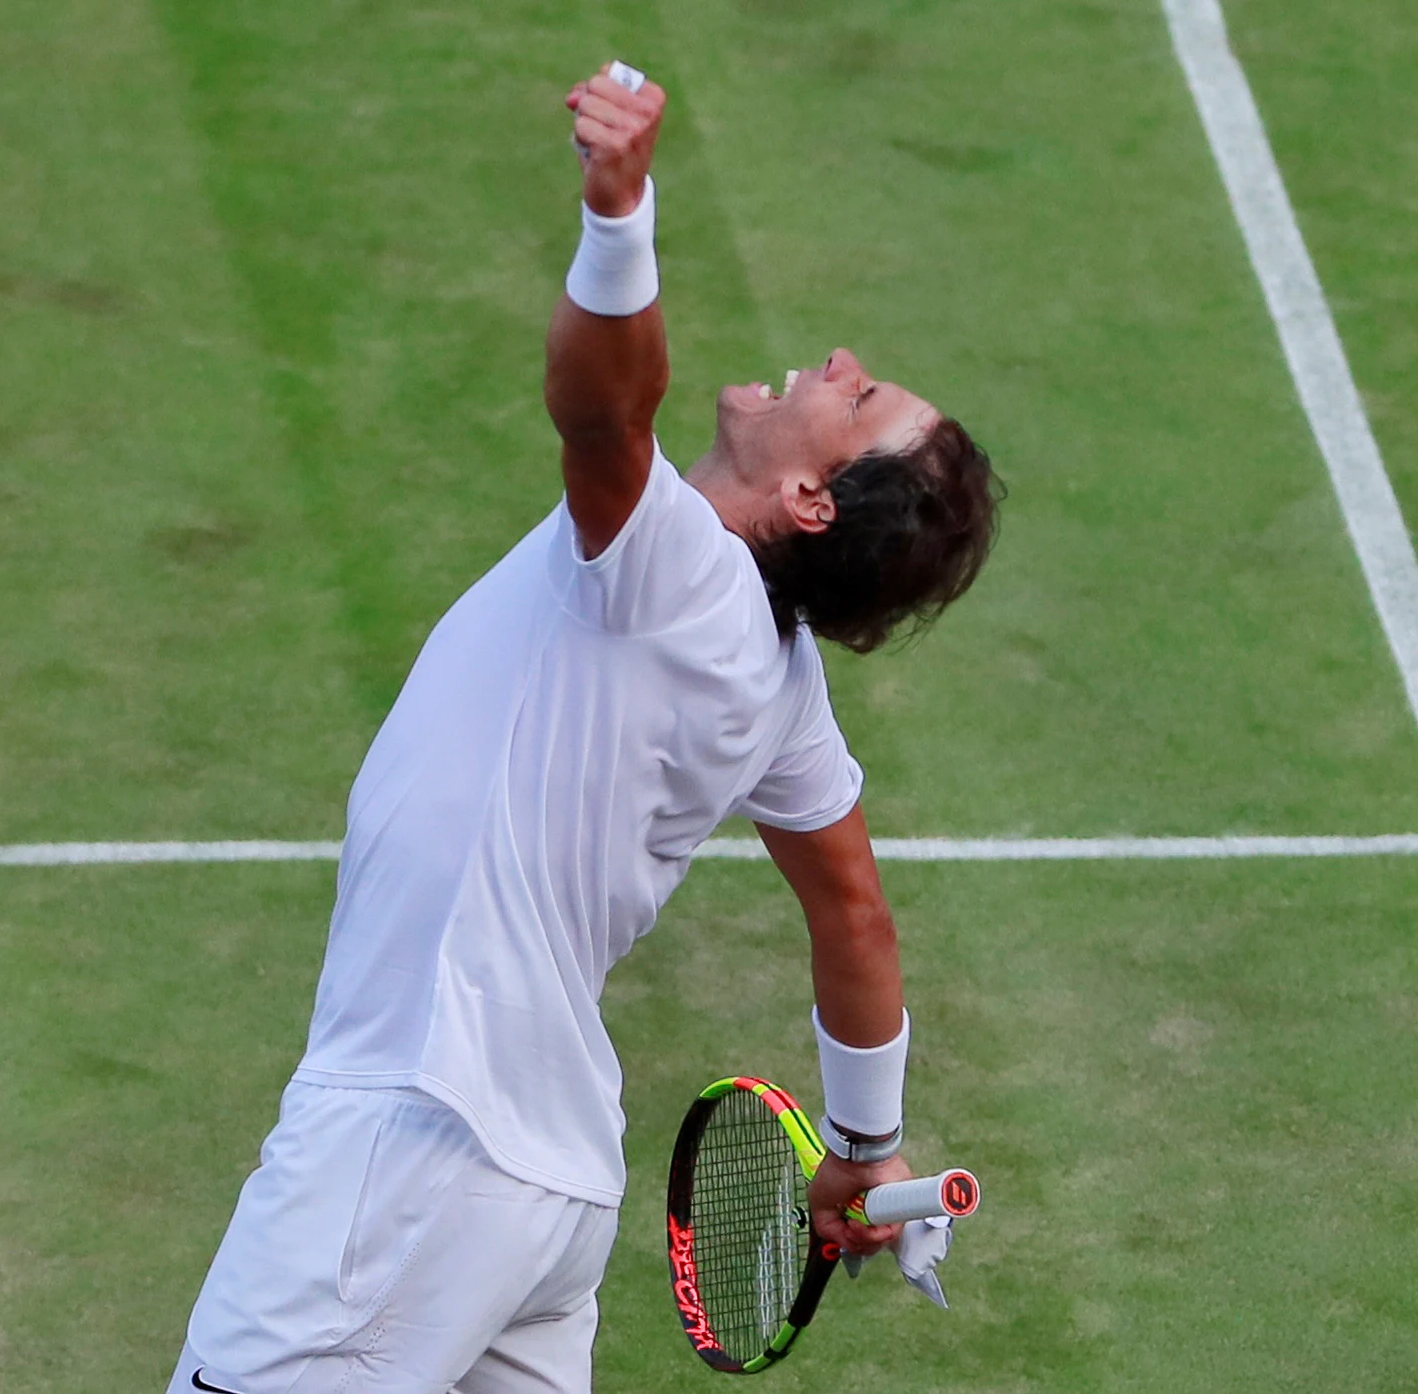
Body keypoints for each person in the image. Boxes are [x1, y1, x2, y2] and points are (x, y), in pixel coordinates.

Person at [167, 62, 1001, 1394]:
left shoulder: (673, 569)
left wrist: (619, 213)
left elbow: (602, 408)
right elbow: (853, 912)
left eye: (856, 399)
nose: (837, 361)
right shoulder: (779, 683)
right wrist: (862, 1139)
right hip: (540, 1195)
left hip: (418, 1131)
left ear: (805, 498)